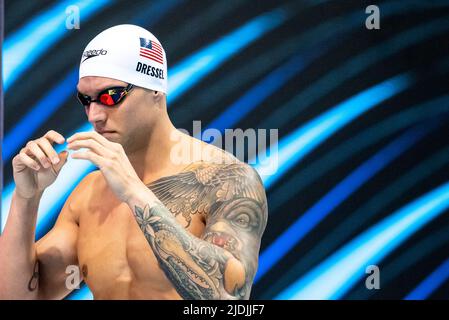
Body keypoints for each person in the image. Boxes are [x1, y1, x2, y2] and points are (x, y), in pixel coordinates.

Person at [0, 24, 267, 300]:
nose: (94, 115)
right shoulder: (88, 197)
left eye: (110, 96)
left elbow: (229, 297)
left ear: (155, 90)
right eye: (86, 99)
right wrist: (26, 198)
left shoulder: (227, 180)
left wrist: (134, 192)